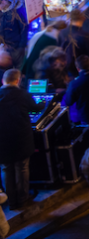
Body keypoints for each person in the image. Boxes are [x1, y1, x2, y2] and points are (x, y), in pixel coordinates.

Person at [0, 69, 39, 207]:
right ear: (18, 81)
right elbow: (36, 107)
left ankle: (10, 200)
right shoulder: (22, 94)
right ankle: (22, 198)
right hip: (20, 139)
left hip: (2, 141)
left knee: (6, 169)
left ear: (3, 81)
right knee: (21, 168)